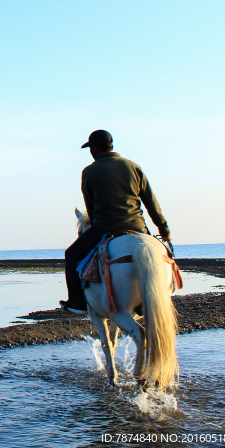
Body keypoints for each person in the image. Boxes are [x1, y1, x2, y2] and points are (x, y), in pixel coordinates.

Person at [60, 130, 171, 313]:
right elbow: (151, 202)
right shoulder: (133, 167)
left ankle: (77, 302)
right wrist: (164, 230)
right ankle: (168, 289)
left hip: (104, 228)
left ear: (94, 149)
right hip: (138, 227)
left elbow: (91, 208)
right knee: (162, 255)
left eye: (91, 149)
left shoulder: (89, 172)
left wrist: (96, 222)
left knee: (71, 255)